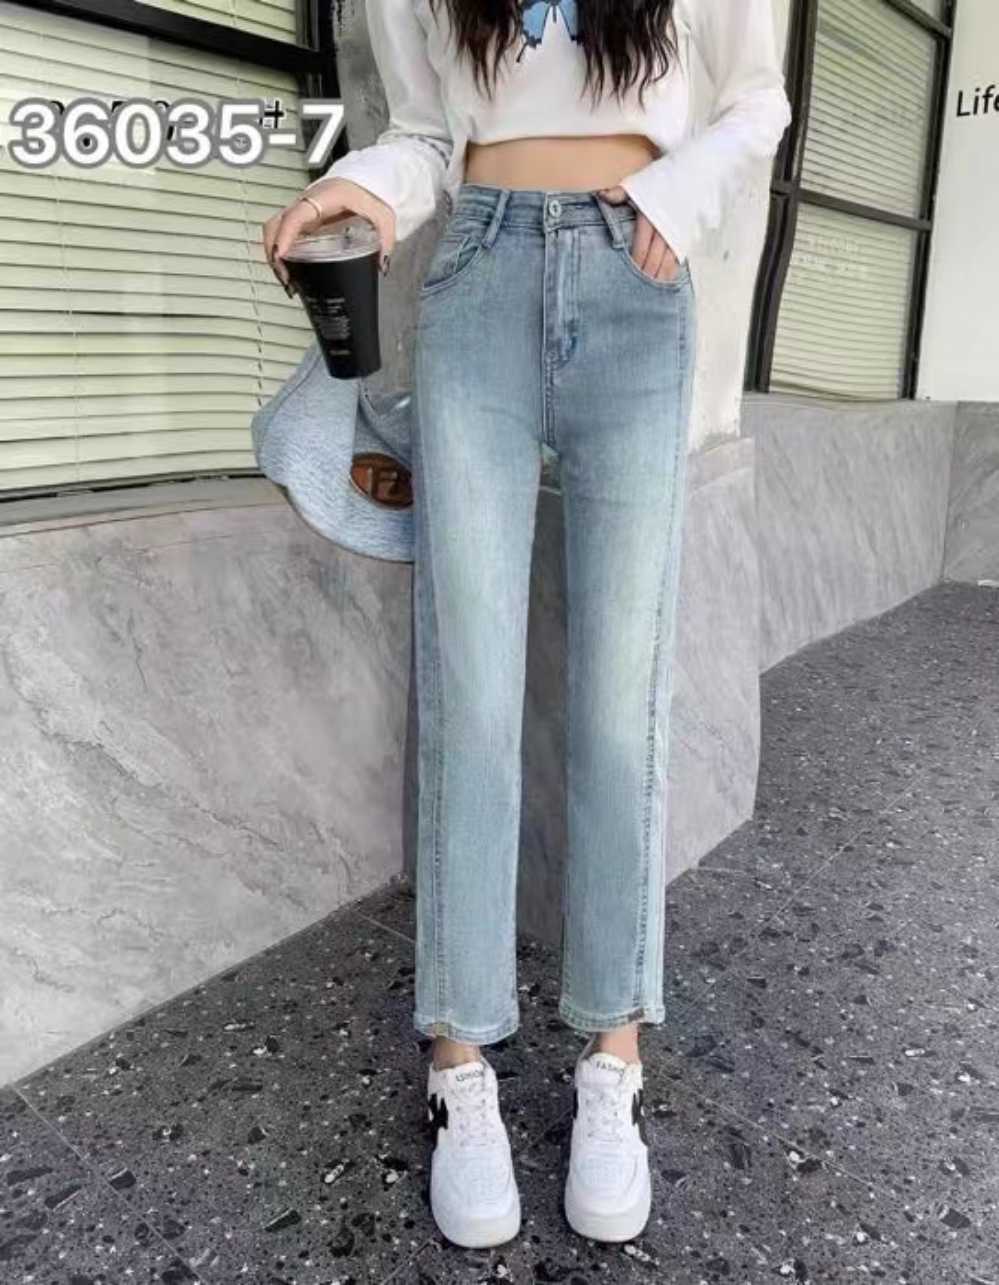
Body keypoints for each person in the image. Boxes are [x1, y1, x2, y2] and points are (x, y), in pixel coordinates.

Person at [263, 0, 791, 1251]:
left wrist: (675, 198)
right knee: (473, 703)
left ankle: (614, 1061)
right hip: (481, 278)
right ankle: (461, 1066)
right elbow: (430, 131)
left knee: (617, 708)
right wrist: (366, 190)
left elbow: (755, 100)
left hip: (635, 282)